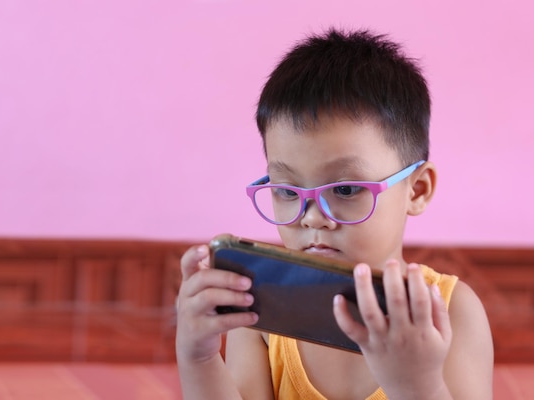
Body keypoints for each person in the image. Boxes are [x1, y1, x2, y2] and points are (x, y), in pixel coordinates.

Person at [176, 28, 494, 399]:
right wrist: (198, 358)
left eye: (344, 189)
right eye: (286, 190)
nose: (311, 217)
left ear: (417, 190)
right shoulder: (260, 316)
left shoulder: (450, 313)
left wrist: (417, 386)